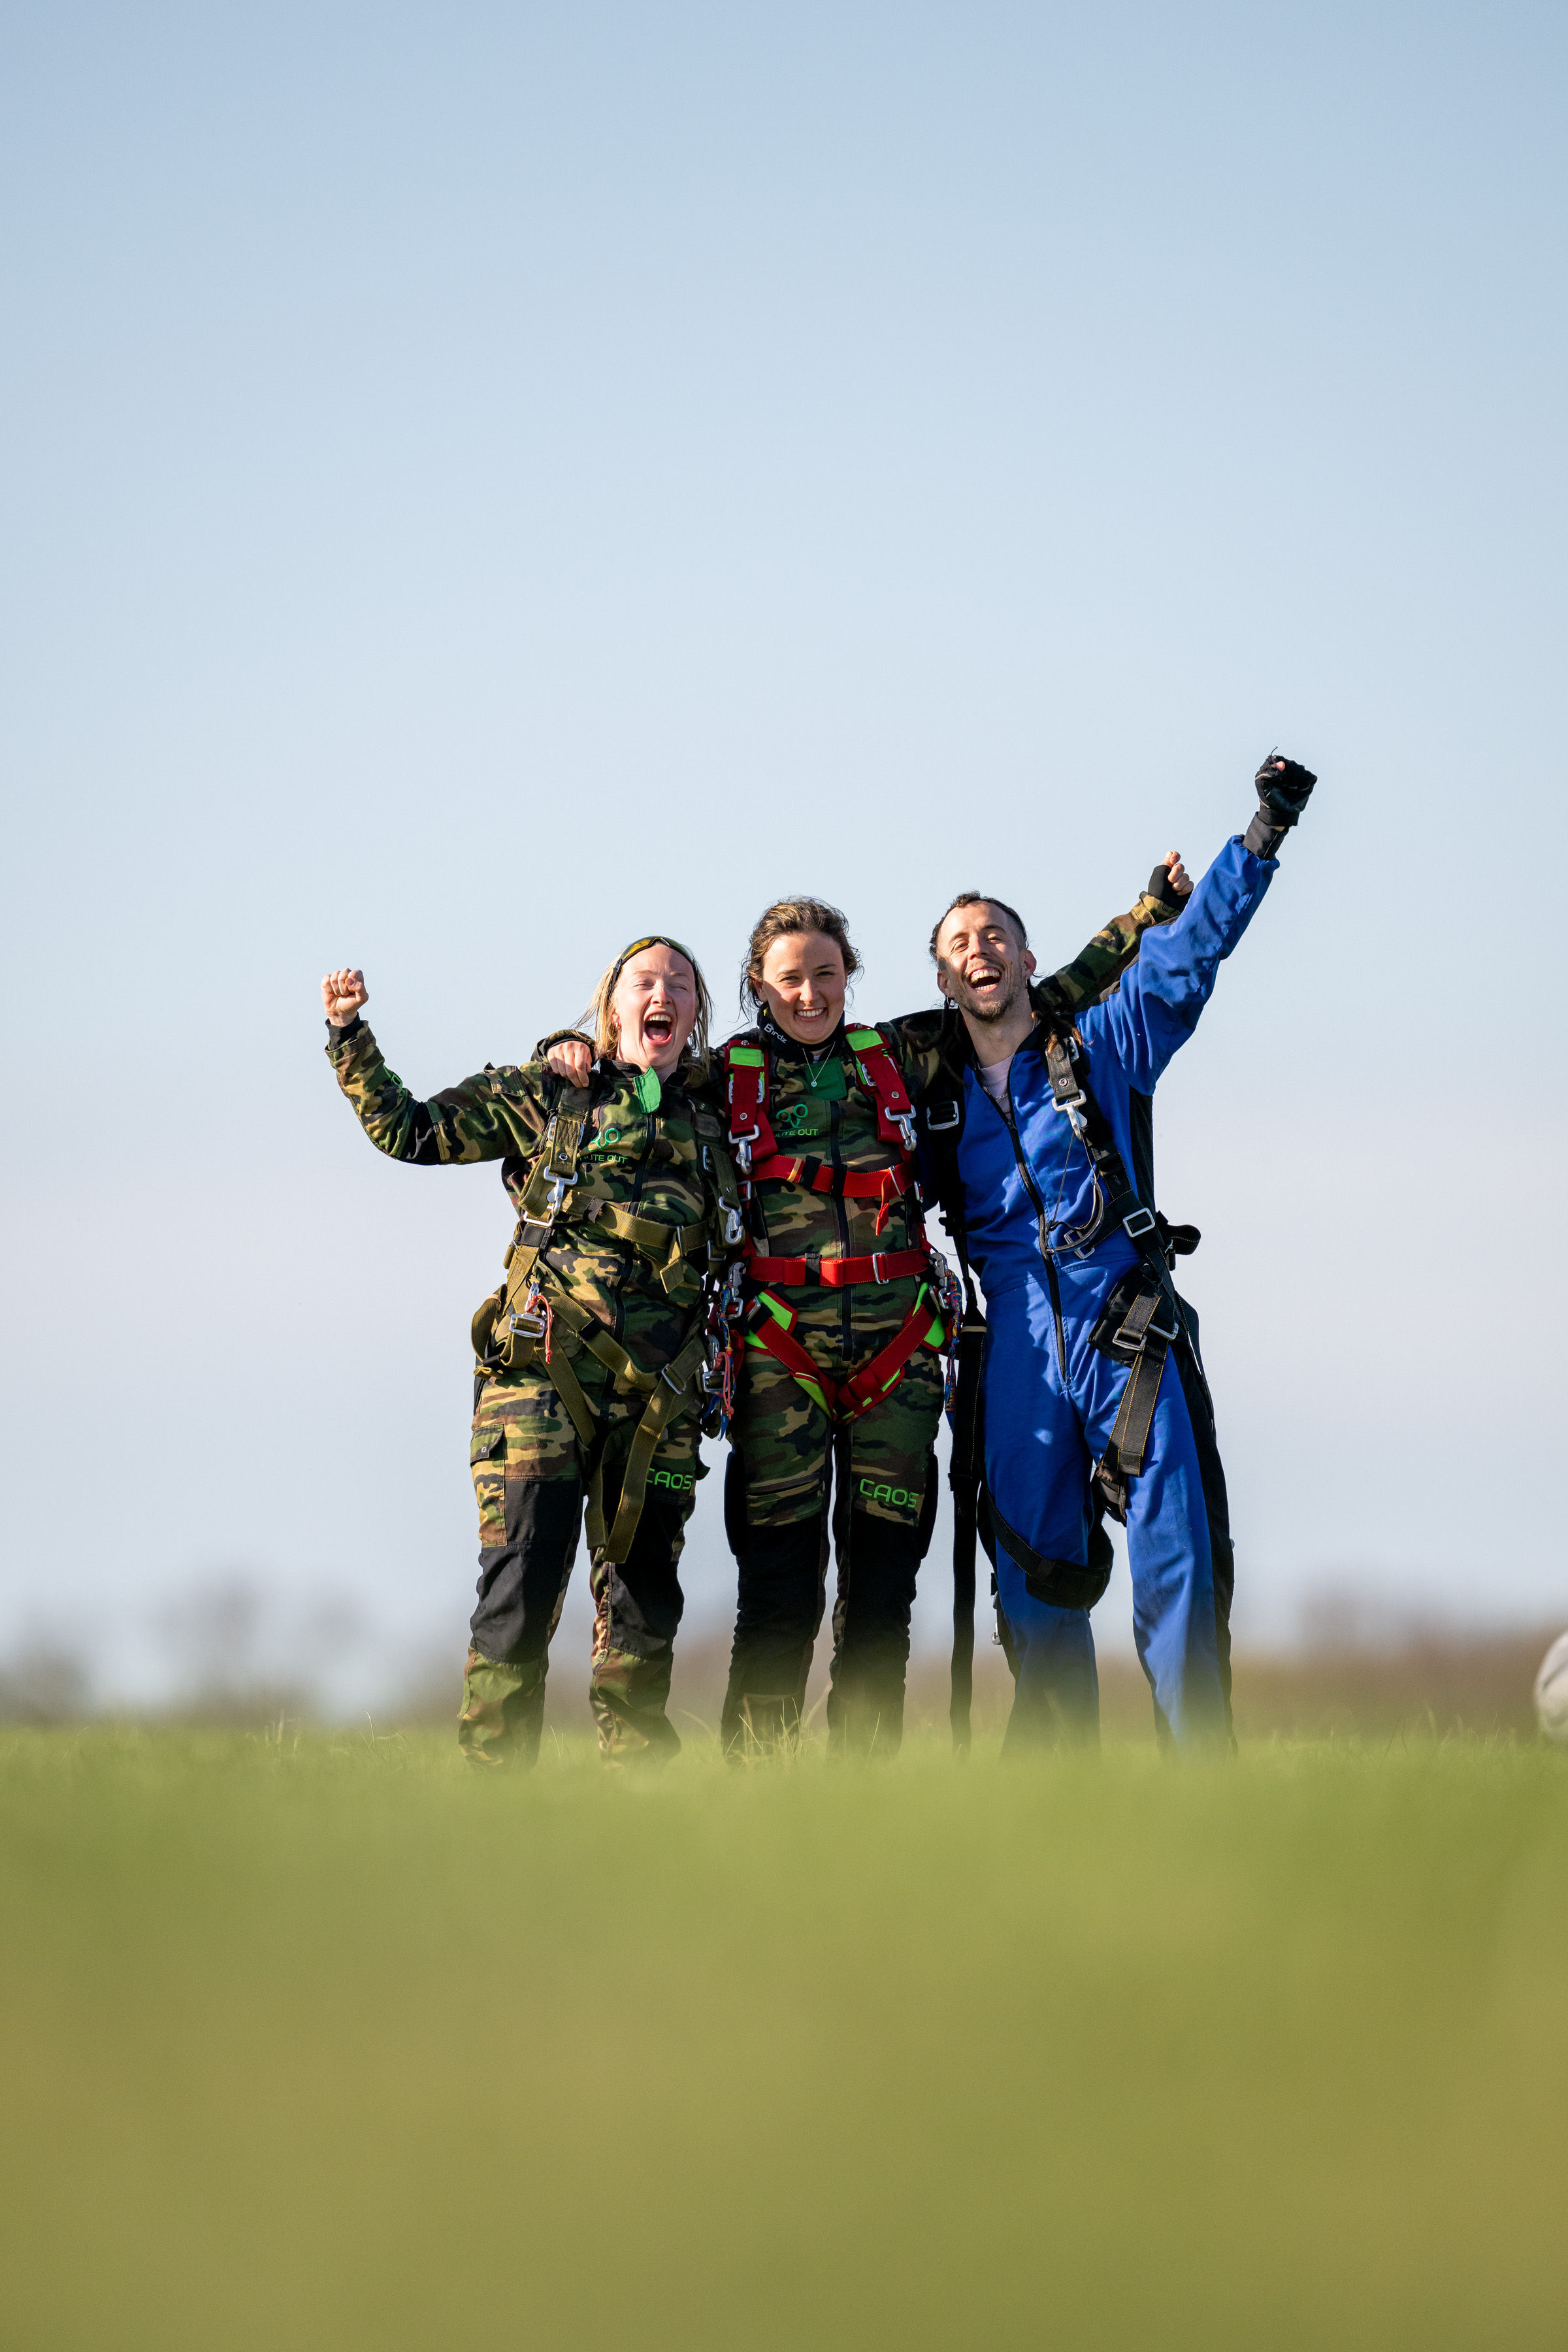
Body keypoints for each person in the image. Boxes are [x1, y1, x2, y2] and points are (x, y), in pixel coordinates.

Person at [546, 871, 1187, 1755]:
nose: (809, 994)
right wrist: (563, 1051)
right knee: (780, 1588)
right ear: (758, 988)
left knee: (883, 1588)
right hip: (779, 1366)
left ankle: (863, 1784)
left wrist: (1146, 916)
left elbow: (1041, 996)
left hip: (899, 1363)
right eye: (788, 979)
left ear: (849, 977)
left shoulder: (905, 1054)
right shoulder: (716, 1081)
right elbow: (630, 1071)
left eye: (826, 974)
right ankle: (761, 1782)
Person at [915, 753, 1316, 1747]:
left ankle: (1202, 1772)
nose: (982, 949)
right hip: (1012, 1343)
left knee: (1176, 1551)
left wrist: (1261, 837)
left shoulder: (1103, 1044)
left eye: (997, 934)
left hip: (1125, 1321)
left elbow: (1189, 958)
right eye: (962, 941)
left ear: (1024, 957)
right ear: (943, 977)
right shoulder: (925, 1097)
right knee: (1035, 1568)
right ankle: (1064, 1796)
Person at [320, 938, 742, 1765]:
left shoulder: (723, 1111)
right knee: (520, 1586)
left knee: (645, 1602)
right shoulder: (552, 1092)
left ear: (695, 1016)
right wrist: (349, 1034)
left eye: (682, 985)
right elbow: (409, 1130)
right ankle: (496, 1797)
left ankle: (639, 1796)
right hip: (540, 1382)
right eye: (644, 982)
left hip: (661, 1399)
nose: (664, 993)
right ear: (610, 1006)